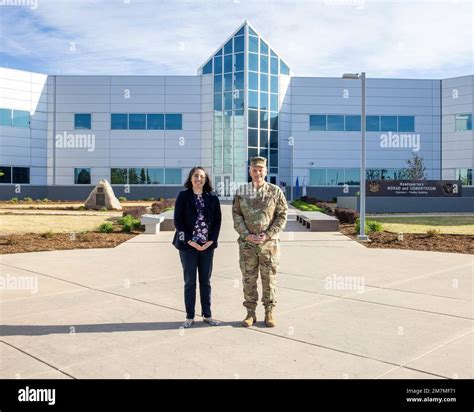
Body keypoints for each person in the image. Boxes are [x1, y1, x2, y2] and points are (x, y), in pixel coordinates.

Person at [232, 156, 288, 327]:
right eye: (254, 170)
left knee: (269, 279)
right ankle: (250, 314)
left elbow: (282, 214)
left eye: (260, 170)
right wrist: (247, 235)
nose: (257, 173)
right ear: (250, 171)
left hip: (269, 246)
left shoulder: (275, 191)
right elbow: (236, 215)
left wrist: (268, 234)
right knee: (249, 279)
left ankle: (269, 313)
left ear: (266, 171)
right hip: (248, 245)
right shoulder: (241, 192)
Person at [172, 166, 222, 328]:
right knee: (190, 282)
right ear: (191, 178)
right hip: (188, 246)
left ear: (206, 179)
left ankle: (207, 315)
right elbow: (178, 221)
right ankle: (189, 316)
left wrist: (211, 241)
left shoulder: (212, 197)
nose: (198, 179)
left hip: (207, 246)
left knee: (205, 281)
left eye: (202, 176)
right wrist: (190, 241)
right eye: (196, 176)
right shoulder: (183, 196)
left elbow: (217, 222)